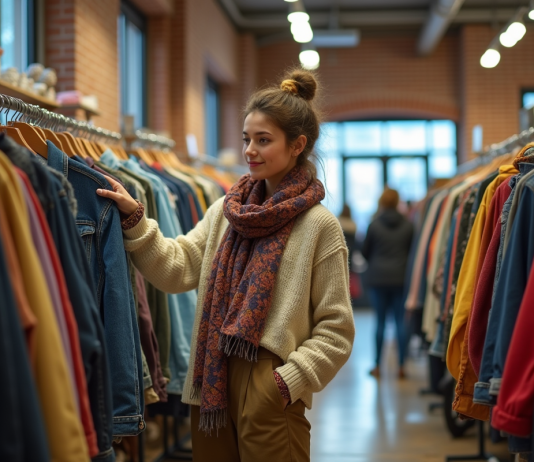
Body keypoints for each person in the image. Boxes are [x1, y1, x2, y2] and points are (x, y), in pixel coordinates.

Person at [96, 68, 355, 462]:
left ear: (297, 144)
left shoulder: (319, 226)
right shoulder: (226, 212)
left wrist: (284, 383)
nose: (250, 150)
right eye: (247, 139)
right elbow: (179, 267)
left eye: (263, 140)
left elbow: (336, 330)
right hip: (212, 380)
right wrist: (135, 220)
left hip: (270, 381)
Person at [362, 188, 413, 379]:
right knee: (400, 321)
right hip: (400, 279)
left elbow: (365, 252)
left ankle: (377, 365)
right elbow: (411, 253)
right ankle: (401, 366)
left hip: (378, 278)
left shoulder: (374, 225)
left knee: (380, 322)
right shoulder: (408, 225)